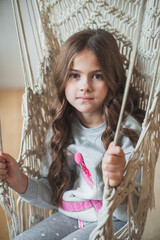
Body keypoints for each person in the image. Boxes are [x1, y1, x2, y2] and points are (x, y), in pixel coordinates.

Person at [0, 29, 143, 240]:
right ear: (63, 80)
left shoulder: (127, 132)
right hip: (68, 216)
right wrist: (19, 180)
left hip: (112, 220)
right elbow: (53, 195)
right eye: (74, 75)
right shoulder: (59, 128)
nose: (85, 86)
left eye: (97, 75)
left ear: (112, 80)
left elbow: (131, 210)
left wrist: (118, 181)